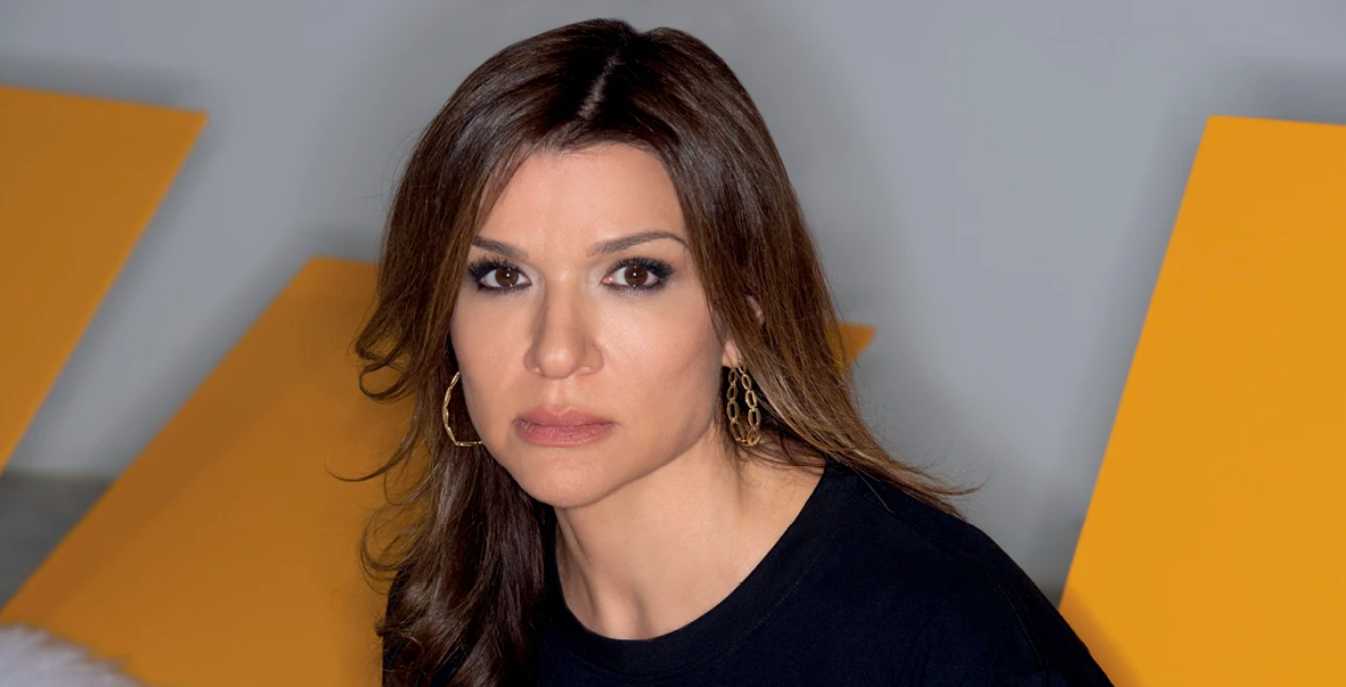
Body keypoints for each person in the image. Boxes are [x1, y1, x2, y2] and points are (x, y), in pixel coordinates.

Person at [356, 17, 1113, 687]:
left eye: (633, 275)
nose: (555, 351)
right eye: (501, 276)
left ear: (742, 317)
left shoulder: (947, 639)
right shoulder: (451, 616)